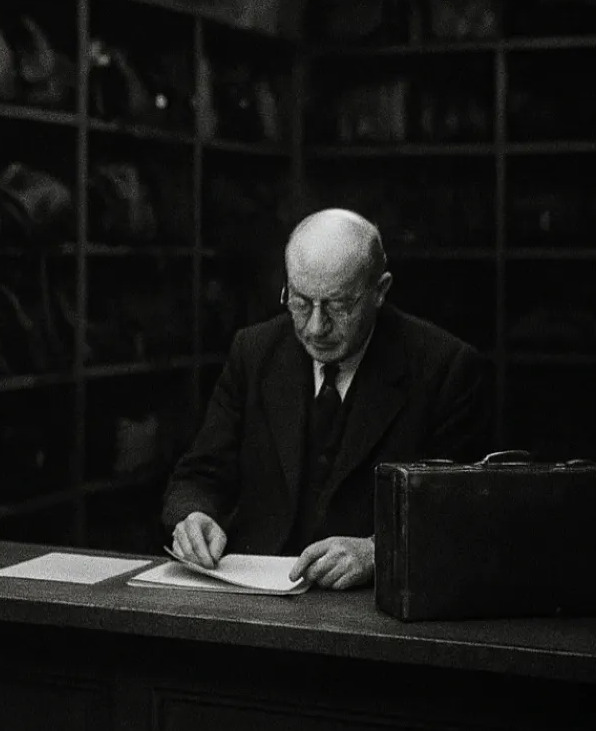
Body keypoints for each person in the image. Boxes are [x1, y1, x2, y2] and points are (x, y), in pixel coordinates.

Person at [163, 208, 493, 591]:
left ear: (380, 291)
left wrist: (380, 552)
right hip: (253, 599)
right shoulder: (254, 352)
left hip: (371, 609)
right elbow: (199, 475)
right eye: (300, 302)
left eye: (339, 306)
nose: (316, 327)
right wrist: (194, 516)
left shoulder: (446, 369)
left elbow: (465, 517)